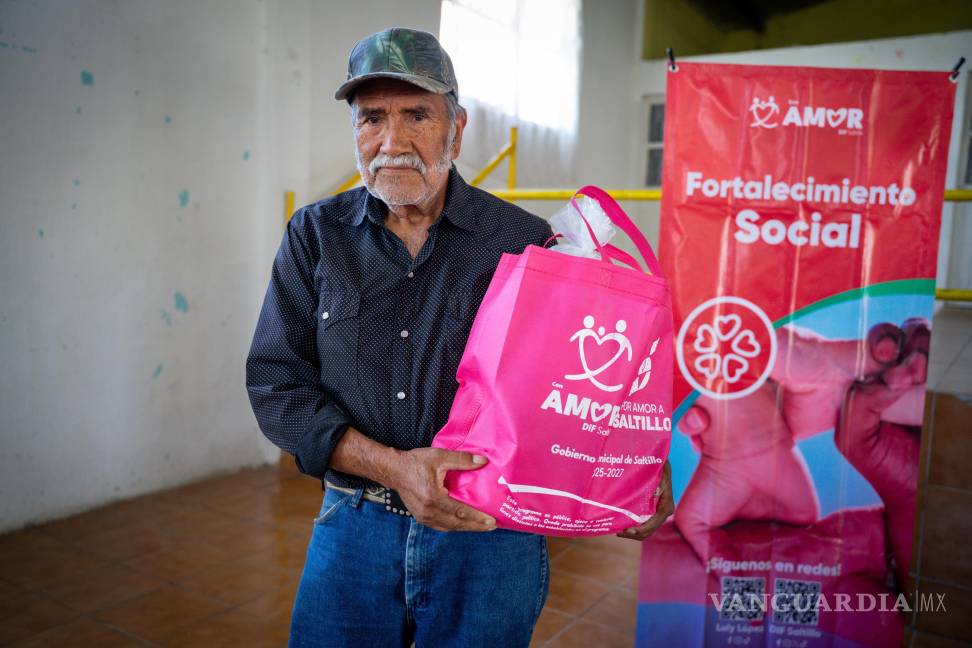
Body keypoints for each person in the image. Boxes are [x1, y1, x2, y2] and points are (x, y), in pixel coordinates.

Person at [245, 27, 673, 647]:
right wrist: (394, 469)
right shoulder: (316, 235)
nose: (392, 141)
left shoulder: (524, 242)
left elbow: (578, 381)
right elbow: (275, 385)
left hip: (491, 535)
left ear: (457, 125)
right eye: (372, 119)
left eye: (417, 114)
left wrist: (627, 466)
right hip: (354, 522)